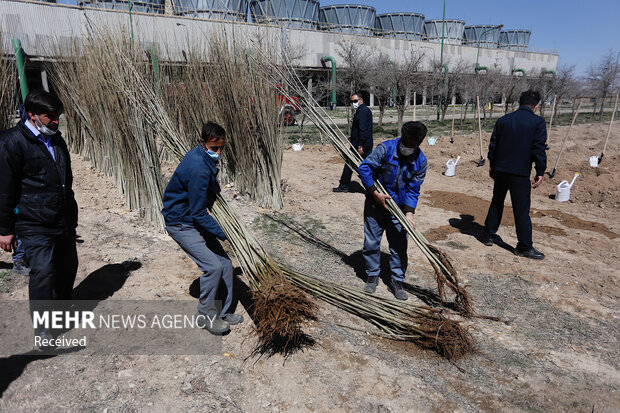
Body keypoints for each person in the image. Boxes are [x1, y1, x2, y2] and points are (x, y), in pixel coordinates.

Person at [0, 89, 79, 338]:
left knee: (68, 267)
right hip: (33, 221)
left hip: (62, 218)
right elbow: (4, 188)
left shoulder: (56, 138)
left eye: (58, 116)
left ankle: (60, 312)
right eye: (50, 116)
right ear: (32, 114)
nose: (56, 121)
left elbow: (65, 176)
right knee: (44, 271)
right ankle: (44, 330)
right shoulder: (12, 142)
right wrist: (5, 230)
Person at [162, 122, 242, 335]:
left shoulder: (204, 158)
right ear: (202, 142)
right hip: (181, 223)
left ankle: (223, 312)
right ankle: (207, 316)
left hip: (192, 218)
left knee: (225, 264)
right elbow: (198, 213)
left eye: (221, 148)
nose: (218, 152)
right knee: (213, 267)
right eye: (214, 148)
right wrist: (225, 234)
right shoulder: (197, 167)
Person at [357, 121, 428, 300]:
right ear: (401, 137)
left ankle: (397, 280)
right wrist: (375, 193)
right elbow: (364, 168)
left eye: (413, 145)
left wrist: (409, 213)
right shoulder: (386, 149)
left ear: (419, 143)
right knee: (372, 241)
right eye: (406, 143)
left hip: (399, 208)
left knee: (398, 244)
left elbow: (414, 189)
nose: (408, 148)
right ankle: (372, 275)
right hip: (376, 202)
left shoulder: (420, 161)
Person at [480, 90, 547, 260]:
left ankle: (488, 235)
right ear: (536, 106)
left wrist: (493, 166)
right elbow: (538, 149)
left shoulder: (503, 120)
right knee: (521, 210)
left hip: (501, 171)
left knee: (497, 202)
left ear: (519, 102)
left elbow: (493, 146)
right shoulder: (537, 122)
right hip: (520, 173)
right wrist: (540, 170)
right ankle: (524, 246)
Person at [333, 92, 373, 192]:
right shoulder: (362, 110)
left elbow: (363, 130)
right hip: (361, 142)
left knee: (350, 164)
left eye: (355, 101)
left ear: (361, 100)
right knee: (364, 165)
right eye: (352, 101)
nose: (353, 103)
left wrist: (360, 146)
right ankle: (371, 186)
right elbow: (359, 129)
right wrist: (352, 137)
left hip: (361, 145)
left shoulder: (362, 111)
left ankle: (344, 185)